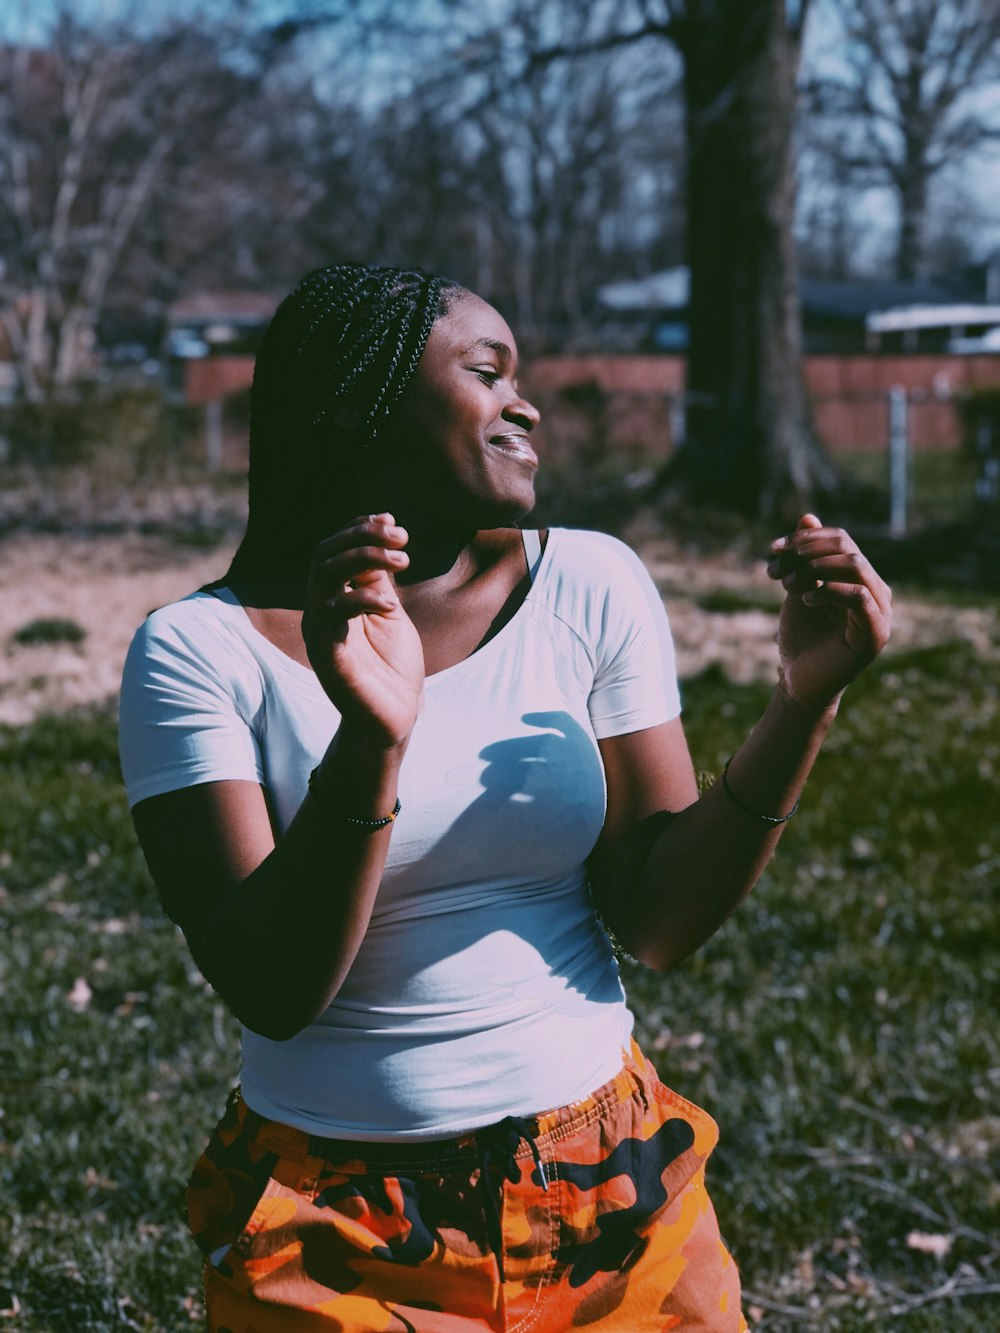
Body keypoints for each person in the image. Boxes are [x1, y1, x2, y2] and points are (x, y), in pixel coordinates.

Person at [118, 263, 892, 1332]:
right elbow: (272, 983)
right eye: (488, 373)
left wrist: (801, 704)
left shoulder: (589, 584)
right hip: (340, 1233)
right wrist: (371, 740)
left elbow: (660, 922)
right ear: (358, 405)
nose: (526, 404)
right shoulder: (195, 653)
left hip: (614, 1184)